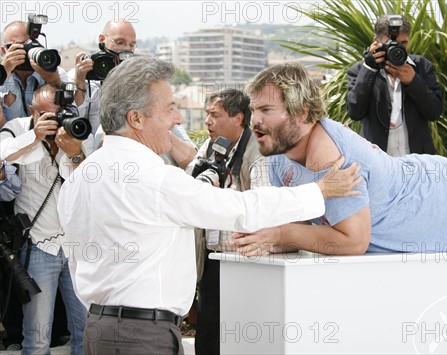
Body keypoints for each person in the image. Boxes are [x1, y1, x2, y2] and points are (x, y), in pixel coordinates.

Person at [56, 56, 361, 355]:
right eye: (170, 108)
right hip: (144, 337)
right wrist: (319, 192)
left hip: (98, 329)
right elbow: (241, 209)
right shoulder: (155, 180)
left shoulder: (78, 178)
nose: (178, 119)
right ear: (136, 118)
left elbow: (77, 261)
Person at [230, 48, 447, 256]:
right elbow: (306, 230)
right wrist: (269, 238)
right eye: (253, 109)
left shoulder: (326, 154)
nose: (254, 121)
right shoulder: (278, 158)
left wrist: (282, 233)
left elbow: (353, 241)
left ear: (302, 112)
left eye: (266, 111)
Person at [0, 84, 92, 355]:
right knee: (38, 335)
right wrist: (34, 136)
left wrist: (73, 149)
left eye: (59, 113)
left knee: (85, 329)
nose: (55, 120)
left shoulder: (75, 127)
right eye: (47, 115)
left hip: (75, 245)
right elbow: (3, 154)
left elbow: (89, 179)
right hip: (39, 245)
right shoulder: (17, 128)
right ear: (32, 110)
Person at [187, 89, 269, 355]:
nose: (207, 122)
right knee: (209, 331)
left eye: (215, 115)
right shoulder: (211, 146)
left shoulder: (258, 151)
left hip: (244, 258)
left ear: (238, 119)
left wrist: (219, 193)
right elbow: (192, 182)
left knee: (242, 331)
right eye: (206, 115)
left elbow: (261, 206)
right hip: (213, 256)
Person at [71, 18, 196, 166]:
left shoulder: (143, 81)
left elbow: (191, 157)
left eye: (131, 45)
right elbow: (73, 120)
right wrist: (79, 80)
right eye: (119, 42)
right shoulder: (83, 76)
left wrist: (159, 132)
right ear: (102, 40)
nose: (125, 50)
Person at [347, 14, 443, 156]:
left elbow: (434, 112)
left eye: (403, 43)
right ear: (376, 41)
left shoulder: (422, 67)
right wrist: (369, 69)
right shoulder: (360, 70)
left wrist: (414, 81)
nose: (398, 49)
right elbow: (355, 112)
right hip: (377, 162)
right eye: (391, 43)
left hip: (417, 161)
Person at [0, 21, 69, 121]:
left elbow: (69, 107)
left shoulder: (55, 72)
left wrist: (54, 80)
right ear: (4, 51)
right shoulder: (2, 77)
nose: (27, 50)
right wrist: (4, 72)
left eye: (31, 44)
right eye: (20, 46)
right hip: (8, 135)